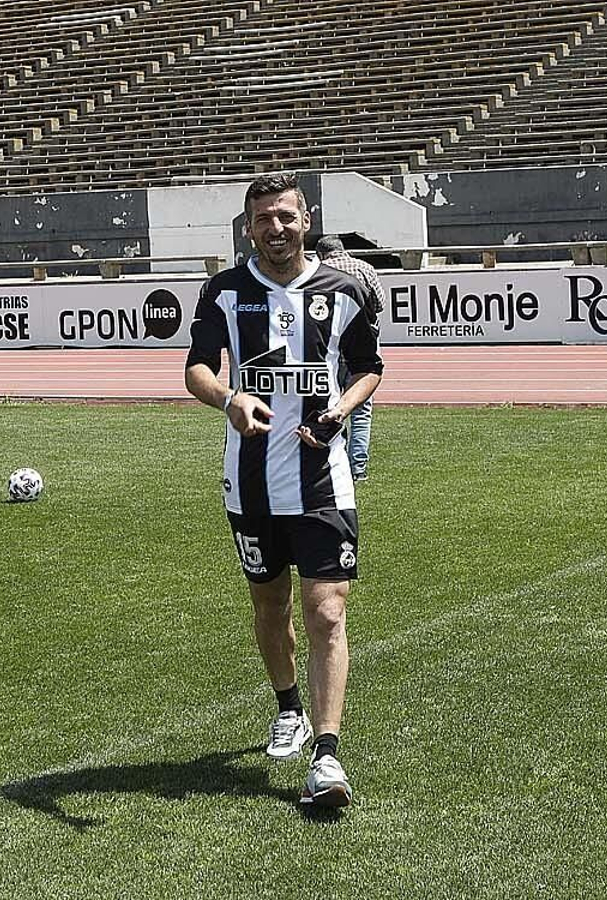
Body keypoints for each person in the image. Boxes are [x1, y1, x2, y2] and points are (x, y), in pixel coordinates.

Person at [184, 173, 383, 809]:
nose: (276, 227)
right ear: (249, 227)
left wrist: (345, 406)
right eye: (263, 218)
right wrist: (229, 397)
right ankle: (288, 707)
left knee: (327, 610)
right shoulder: (224, 292)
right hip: (250, 482)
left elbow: (369, 366)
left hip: (324, 479)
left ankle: (327, 756)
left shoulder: (344, 288)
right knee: (270, 607)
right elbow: (195, 369)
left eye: (286, 216)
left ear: (306, 220)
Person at [314, 235, 383, 481]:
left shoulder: (316, 272)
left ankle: (337, 462)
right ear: (343, 250)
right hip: (363, 344)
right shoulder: (365, 268)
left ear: (320, 254)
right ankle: (359, 468)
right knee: (361, 410)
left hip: (329, 348)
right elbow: (379, 304)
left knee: (331, 405)